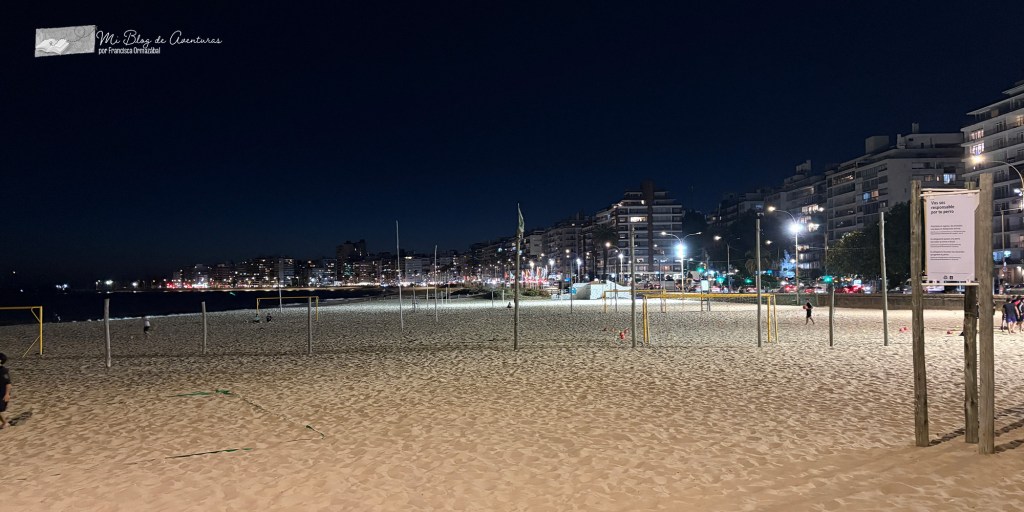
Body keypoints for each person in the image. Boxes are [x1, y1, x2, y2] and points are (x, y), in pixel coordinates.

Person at [1, 353, 10, 429]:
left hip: (2, 393)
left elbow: (8, 384)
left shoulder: (3, 371)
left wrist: (7, 394)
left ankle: (5, 423)